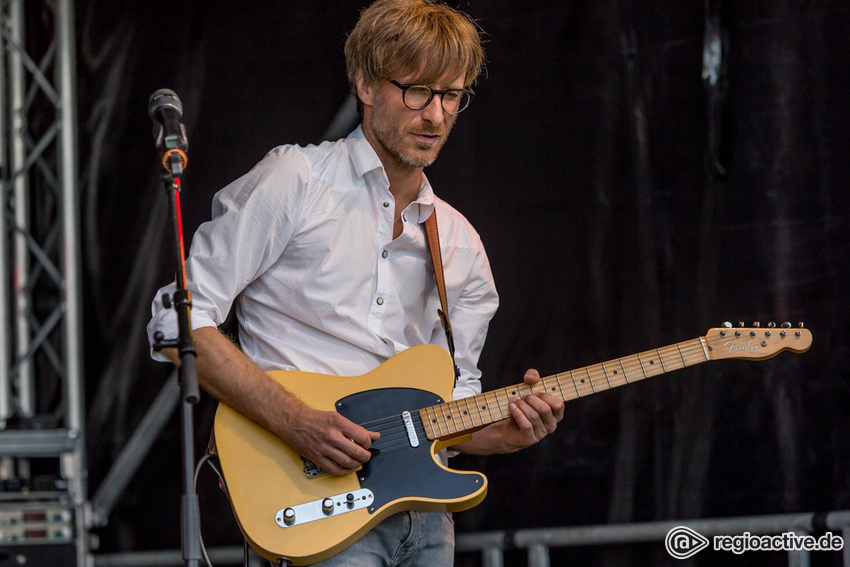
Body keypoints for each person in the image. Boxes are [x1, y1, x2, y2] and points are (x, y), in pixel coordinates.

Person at [148, 0, 565, 565]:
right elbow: (178, 320)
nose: (436, 115)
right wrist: (295, 420)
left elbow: (453, 411)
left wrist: (507, 434)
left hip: (425, 519)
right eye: (417, 90)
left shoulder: (460, 245)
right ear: (366, 84)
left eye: (451, 96)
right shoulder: (296, 181)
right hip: (312, 503)